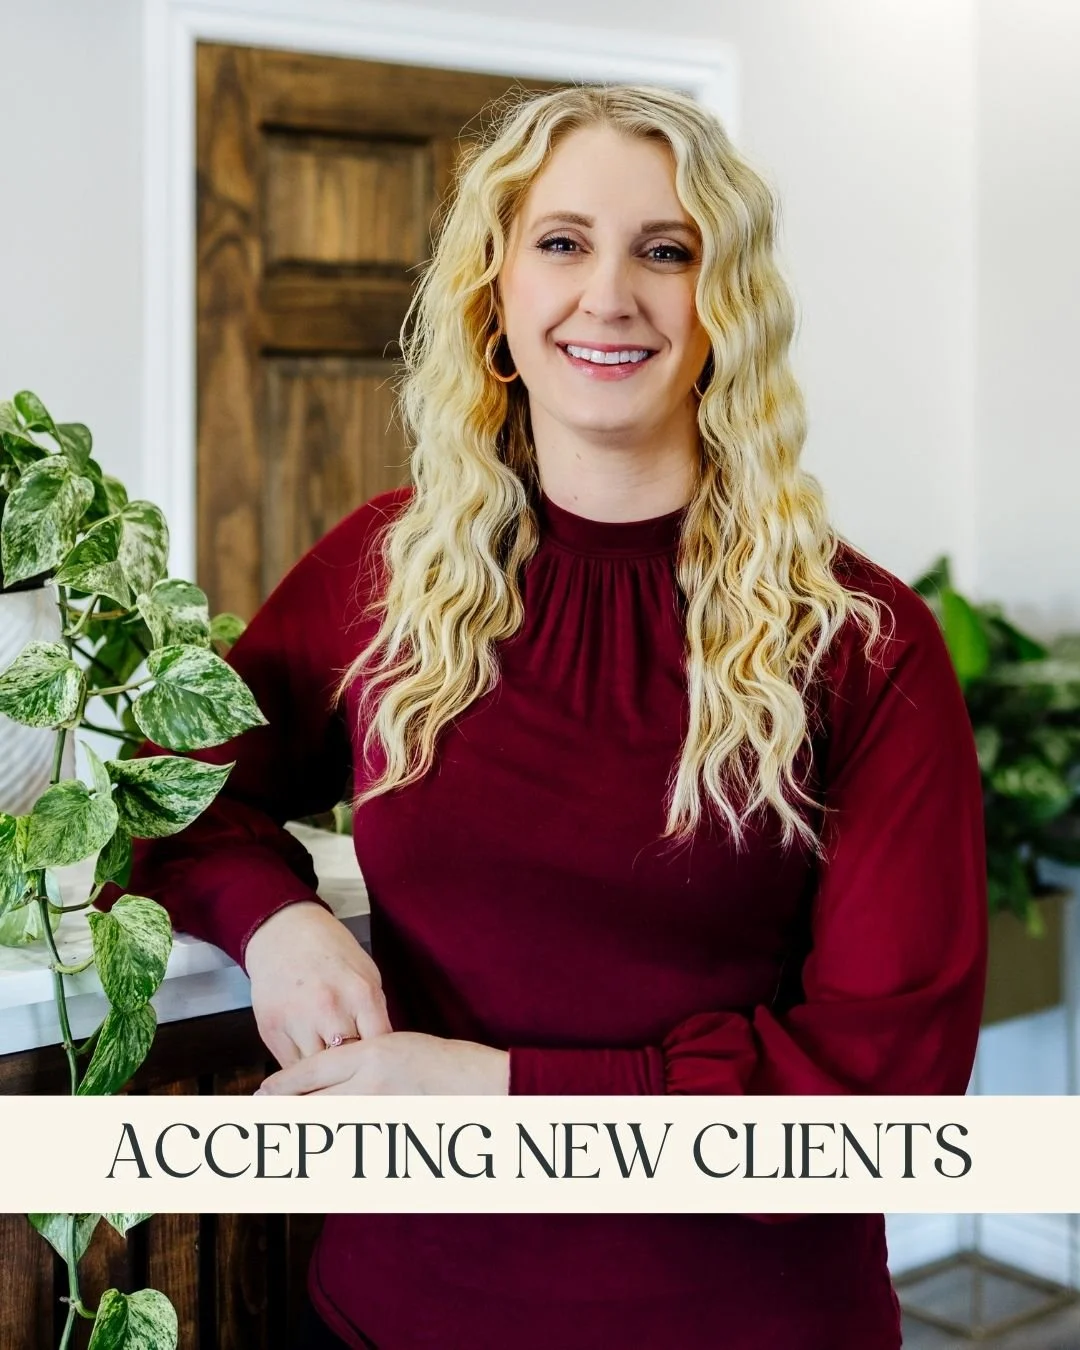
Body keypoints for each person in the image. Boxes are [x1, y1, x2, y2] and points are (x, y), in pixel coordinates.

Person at [100, 84, 987, 1349]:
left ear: (725, 305)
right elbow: (169, 789)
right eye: (563, 242)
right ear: (497, 295)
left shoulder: (864, 644)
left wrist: (495, 1095)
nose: (609, 294)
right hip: (388, 1318)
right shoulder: (388, 573)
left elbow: (878, 1095)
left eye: (666, 251)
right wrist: (278, 921)